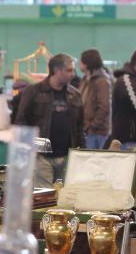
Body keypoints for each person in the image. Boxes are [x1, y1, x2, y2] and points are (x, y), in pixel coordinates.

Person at [14, 54, 84, 188]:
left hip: (67, 157)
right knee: (43, 201)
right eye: (69, 70)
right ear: (57, 70)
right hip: (41, 158)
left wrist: (81, 154)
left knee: (64, 201)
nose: (73, 74)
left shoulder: (75, 94)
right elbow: (21, 123)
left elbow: (80, 127)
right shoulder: (33, 91)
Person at [79, 49, 111, 149]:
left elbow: (104, 107)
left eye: (81, 61)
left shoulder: (102, 81)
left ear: (87, 64)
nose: (79, 64)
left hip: (98, 133)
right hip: (87, 131)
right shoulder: (85, 79)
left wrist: (91, 126)